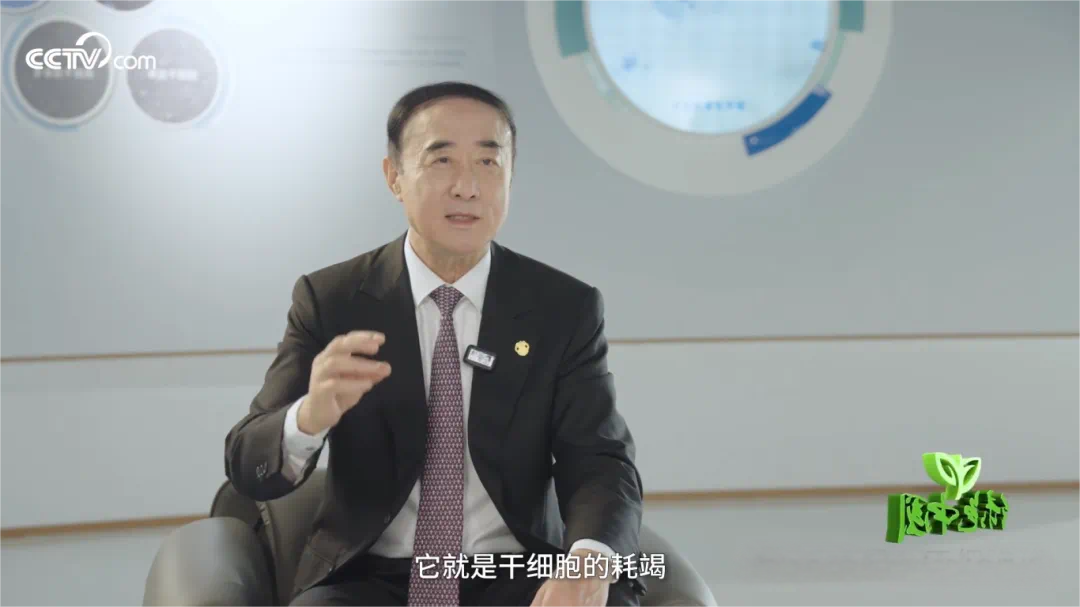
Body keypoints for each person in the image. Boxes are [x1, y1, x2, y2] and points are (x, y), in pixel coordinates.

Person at [224, 81, 645, 607]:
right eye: (441, 160)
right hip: (370, 580)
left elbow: (601, 460)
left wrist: (587, 562)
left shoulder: (563, 308)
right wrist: (308, 417)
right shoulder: (333, 300)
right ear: (394, 177)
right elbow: (247, 462)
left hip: (518, 574)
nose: (467, 187)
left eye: (488, 163)